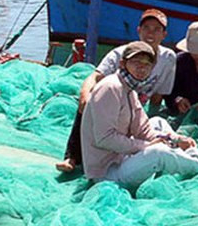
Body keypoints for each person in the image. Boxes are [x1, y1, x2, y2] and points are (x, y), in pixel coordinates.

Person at [81, 41, 198, 188]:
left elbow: (142, 128)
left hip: (122, 157)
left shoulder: (130, 88)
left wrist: (175, 139)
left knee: (157, 121)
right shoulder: (110, 88)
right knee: (158, 152)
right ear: (122, 64)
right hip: (107, 172)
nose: (141, 68)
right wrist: (146, 146)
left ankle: (177, 153)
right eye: (136, 62)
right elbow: (105, 139)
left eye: (147, 64)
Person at [56, 9, 177, 172]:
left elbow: (158, 95)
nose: (151, 33)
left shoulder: (168, 58)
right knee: (89, 105)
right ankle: (72, 155)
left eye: (157, 29)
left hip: (136, 107)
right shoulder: (120, 53)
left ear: (164, 34)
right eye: (147, 27)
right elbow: (95, 76)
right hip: (113, 103)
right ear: (138, 30)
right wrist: (84, 95)